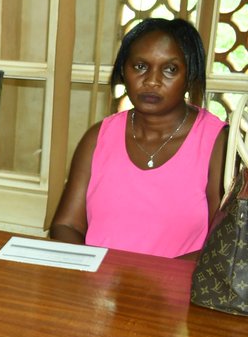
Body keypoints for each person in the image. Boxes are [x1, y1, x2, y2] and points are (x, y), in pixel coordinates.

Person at [50, 18, 227, 258]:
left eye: (170, 69)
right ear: (124, 70)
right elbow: (66, 226)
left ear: (190, 77)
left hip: (178, 290)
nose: (152, 81)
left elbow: (224, 244)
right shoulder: (98, 137)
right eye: (140, 66)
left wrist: (146, 280)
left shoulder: (218, 143)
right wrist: (88, 271)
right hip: (96, 287)